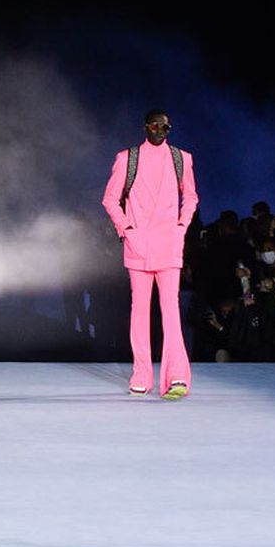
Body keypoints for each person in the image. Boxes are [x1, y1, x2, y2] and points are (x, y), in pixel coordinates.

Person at [102, 109, 199, 398]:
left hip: (169, 242)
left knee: (171, 310)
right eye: (157, 125)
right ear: (146, 127)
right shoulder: (127, 158)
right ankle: (141, 374)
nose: (162, 130)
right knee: (140, 311)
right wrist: (126, 227)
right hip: (139, 244)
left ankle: (177, 377)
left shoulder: (182, 158)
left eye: (167, 126)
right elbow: (109, 198)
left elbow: (191, 195)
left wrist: (182, 225)